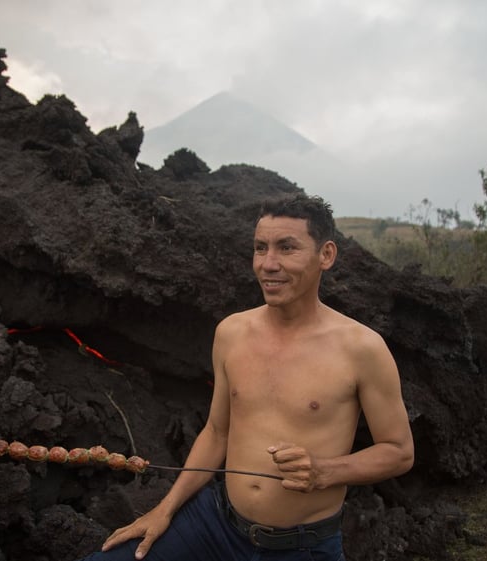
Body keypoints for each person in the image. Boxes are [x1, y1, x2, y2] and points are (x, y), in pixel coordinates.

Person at [79, 194, 414, 561]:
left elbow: (398, 452)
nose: (268, 264)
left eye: (287, 248)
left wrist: (325, 471)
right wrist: (165, 509)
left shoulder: (362, 348)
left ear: (326, 255)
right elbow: (217, 432)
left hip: (303, 546)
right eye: (260, 248)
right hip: (214, 525)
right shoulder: (232, 333)